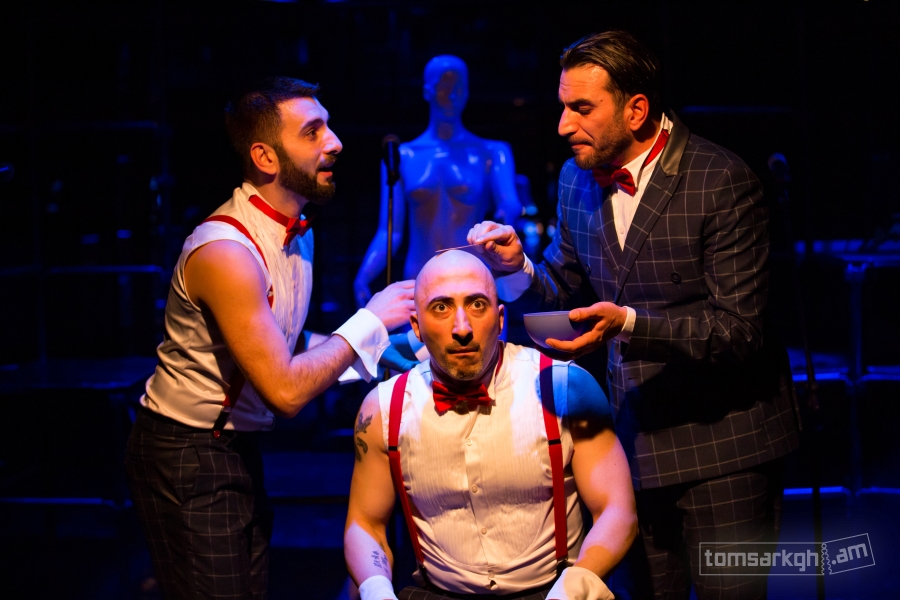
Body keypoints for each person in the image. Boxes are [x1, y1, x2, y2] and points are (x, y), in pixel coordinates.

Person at [468, 31, 800, 599]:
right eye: (563, 107)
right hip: (632, 447)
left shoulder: (720, 179)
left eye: (582, 108)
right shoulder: (576, 178)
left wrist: (627, 324)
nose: (563, 125)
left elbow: (740, 332)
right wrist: (516, 266)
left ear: (636, 110)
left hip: (725, 449)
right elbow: (564, 287)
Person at [124, 77, 415, 599]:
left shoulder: (296, 231)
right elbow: (283, 390)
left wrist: (384, 352)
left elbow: (282, 343)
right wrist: (369, 321)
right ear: (265, 157)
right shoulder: (226, 252)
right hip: (187, 450)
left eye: (328, 127)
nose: (335, 143)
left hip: (233, 444)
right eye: (312, 132)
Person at [344, 250, 637, 600]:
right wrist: (376, 589)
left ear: (500, 319)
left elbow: (616, 511)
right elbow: (366, 523)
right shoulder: (383, 409)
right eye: (441, 307)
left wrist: (577, 584)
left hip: (552, 591)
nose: (462, 328)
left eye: (477, 305)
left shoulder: (564, 388)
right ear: (416, 327)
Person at [353, 55, 526, 309]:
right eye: (443, 88)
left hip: (473, 277)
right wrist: (364, 276)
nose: (452, 96)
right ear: (427, 91)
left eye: (459, 88)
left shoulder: (491, 153)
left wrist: (508, 214)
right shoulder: (403, 156)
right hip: (418, 280)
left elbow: (509, 206)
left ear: (467, 92)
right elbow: (389, 232)